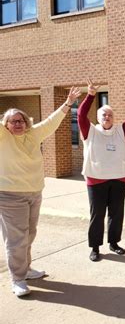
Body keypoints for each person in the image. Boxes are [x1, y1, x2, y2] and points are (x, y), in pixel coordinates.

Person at [0, 86, 82, 297]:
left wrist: (68, 103)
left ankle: (25, 269)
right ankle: (17, 279)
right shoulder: (3, 136)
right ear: (5, 124)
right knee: (16, 239)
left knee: (29, 234)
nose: (17, 124)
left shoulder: (33, 133)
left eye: (20, 120)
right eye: (13, 121)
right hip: (10, 195)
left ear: (26, 122)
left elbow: (51, 122)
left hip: (34, 192)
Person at [78, 79, 125, 262]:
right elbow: (81, 115)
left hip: (119, 178)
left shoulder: (121, 130)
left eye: (110, 115)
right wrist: (90, 95)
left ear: (114, 118)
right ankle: (95, 248)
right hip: (96, 179)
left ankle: (114, 243)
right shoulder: (89, 131)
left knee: (116, 213)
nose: (107, 118)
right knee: (97, 214)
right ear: (98, 118)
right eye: (104, 115)